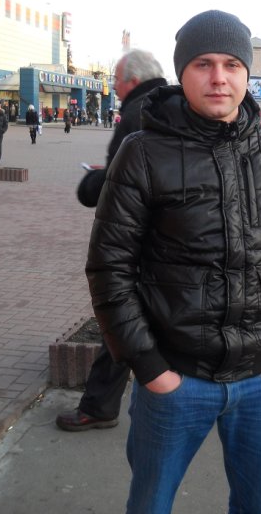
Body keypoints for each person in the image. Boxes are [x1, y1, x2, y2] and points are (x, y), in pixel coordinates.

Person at [85, 10, 261, 514]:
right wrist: (151, 368)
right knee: (151, 501)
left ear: (246, 73)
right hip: (174, 379)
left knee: (256, 501)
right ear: (182, 72)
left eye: (232, 64)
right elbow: (110, 268)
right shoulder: (142, 153)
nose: (218, 78)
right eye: (203, 64)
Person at [55, 49, 167, 431]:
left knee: (121, 320)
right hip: (165, 233)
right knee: (137, 318)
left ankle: (102, 406)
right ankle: (104, 403)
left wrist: (92, 184)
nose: (114, 87)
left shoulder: (137, 112)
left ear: (133, 80)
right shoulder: (168, 105)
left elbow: (125, 179)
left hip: (139, 237)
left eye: (117, 80)